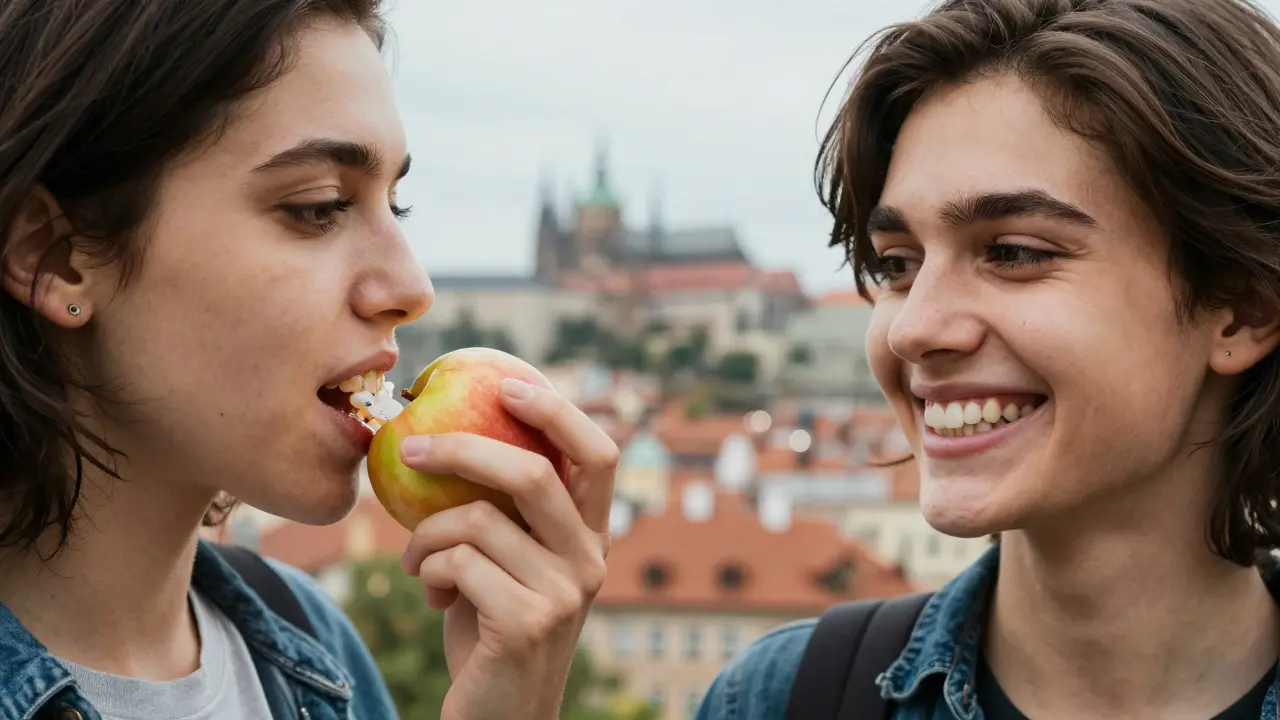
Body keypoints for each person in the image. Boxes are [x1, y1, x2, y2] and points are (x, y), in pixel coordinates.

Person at [0, 1, 616, 719]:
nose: (412, 289)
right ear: (56, 257)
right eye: (319, 206)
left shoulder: (316, 649)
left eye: (396, 205)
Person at [695, 0, 1280, 718]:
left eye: (1013, 253)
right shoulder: (776, 698)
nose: (914, 328)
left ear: (1244, 310)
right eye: (897, 264)